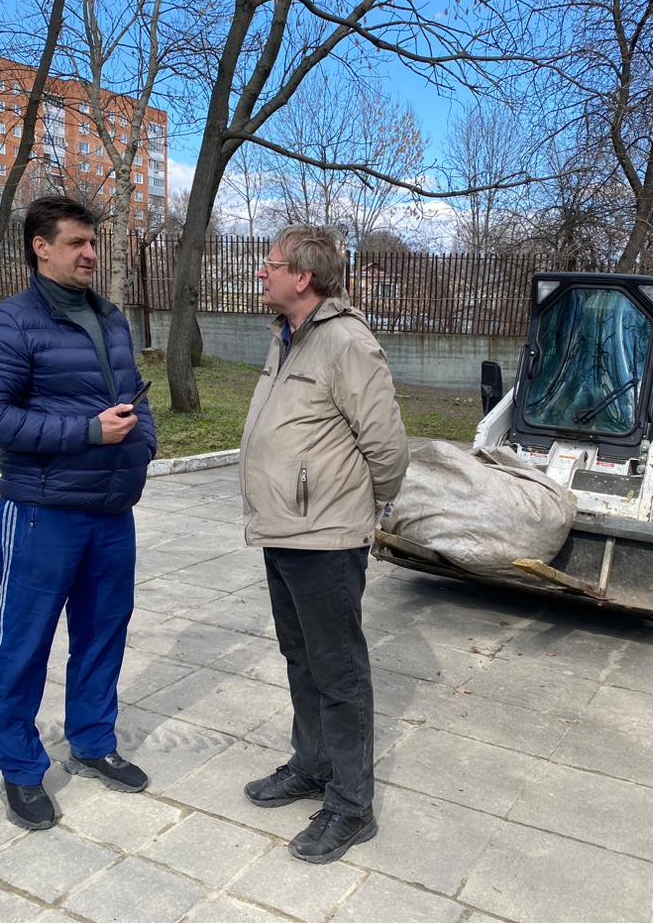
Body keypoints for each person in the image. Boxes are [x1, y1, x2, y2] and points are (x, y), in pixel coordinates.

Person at [0, 196, 156, 830]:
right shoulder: (8, 324)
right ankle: (21, 770)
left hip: (112, 511)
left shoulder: (111, 318)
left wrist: (143, 446)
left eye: (93, 243)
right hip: (42, 513)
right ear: (40, 247)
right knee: (24, 644)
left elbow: (134, 397)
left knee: (104, 633)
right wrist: (87, 433)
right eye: (77, 242)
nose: (90, 254)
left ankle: (93, 742)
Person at [239, 225, 409, 864]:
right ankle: (312, 765)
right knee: (300, 657)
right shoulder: (286, 336)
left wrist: (355, 509)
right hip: (282, 530)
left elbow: (387, 449)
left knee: (338, 670)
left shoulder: (346, 342)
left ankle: (351, 804)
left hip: (326, 538)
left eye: (271, 263)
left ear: (303, 277)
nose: (262, 271)